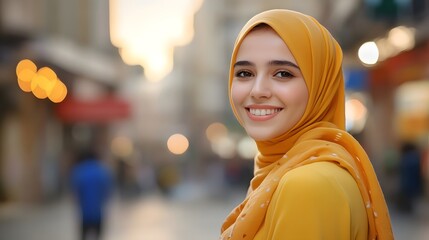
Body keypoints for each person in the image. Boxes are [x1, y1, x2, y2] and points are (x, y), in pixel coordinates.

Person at [220, 9, 393, 240]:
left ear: (321, 85)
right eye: (244, 73)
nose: (258, 90)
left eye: (282, 74)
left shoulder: (306, 185)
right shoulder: (281, 173)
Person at [71, 149, 113, 240]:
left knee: (84, 235)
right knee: (98, 235)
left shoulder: (79, 171)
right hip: (98, 212)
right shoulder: (101, 171)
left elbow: (75, 191)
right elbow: (108, 191)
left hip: (84, 213)